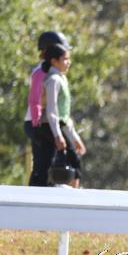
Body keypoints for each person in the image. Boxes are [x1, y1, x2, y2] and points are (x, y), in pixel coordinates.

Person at [26, 31, 70, 187]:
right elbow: (37, 101)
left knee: (44, 163)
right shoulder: (43, 72)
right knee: (43, 165)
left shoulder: (54, 73)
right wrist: (38, 121)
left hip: (45, 121)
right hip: (39, 122)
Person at [40, 43, 85, 188]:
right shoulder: (53, 80)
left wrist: (74, 137)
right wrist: (57, 135)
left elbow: (64, 114)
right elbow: (52, 110)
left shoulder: (61, 79)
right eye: (65, 59)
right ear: (54, 61)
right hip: (52, 126)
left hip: (60, 126)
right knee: (72, 165)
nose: (68, 63)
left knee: (73, 164)